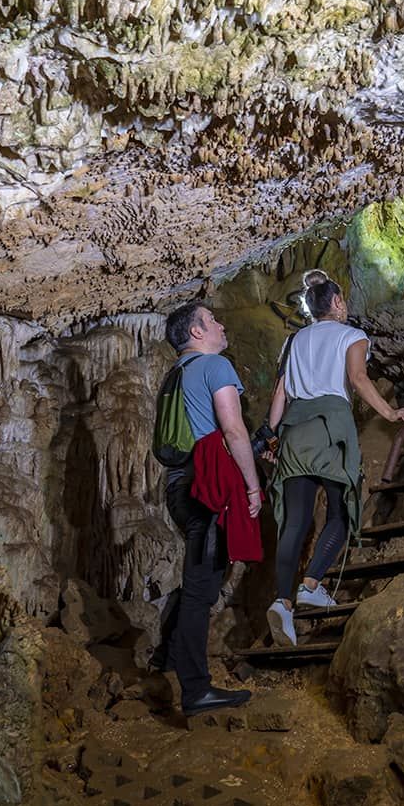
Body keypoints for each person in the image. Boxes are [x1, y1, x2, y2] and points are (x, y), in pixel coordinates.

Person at [263, 271, 404, 645]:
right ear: (335, 303)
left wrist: (271, 436)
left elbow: (279, 393)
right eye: (343, 299)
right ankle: (312, 583)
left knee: (295, 522)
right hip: (330, 426)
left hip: (294, 430)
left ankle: (283, 603)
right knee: (341, 510)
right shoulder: (352, 335)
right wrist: (390, 413)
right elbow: (358, 378)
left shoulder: (294, 341)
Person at [153, 301, 262, 714]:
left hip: (179, 489)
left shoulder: (174, 375)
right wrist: (252, 487)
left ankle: (167, 657)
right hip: (208, 489)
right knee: (201, 589)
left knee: (199, 580)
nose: (220, 324)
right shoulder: (216, 367)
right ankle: (196, 689)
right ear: (197, 333)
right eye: (212, 320)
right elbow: (232, 430)